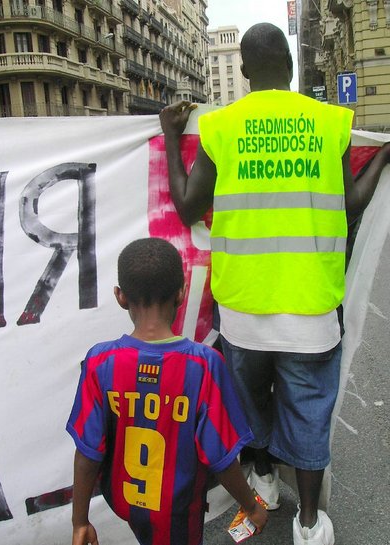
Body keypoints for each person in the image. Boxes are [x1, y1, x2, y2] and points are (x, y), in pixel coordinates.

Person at [159, 22, 390, 545]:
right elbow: (350, 205)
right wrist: (381, 159)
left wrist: (173, 137)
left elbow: (189, 205)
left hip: (242, 311)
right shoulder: (331, 122)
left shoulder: (222, 126)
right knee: (307, 413)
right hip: (310, 311)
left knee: (251, 402)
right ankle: (309, 523)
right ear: (289, 67)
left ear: (242, 72)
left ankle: (263, 480)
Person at [66, 237, 268, 545]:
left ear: (120, 297)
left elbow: (87, 453)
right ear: (181, 293)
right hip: (178, 511)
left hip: (125, 502)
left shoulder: (99, 361)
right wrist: (251, 505)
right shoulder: (204, 366)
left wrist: (79, 521)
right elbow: (221, 457)